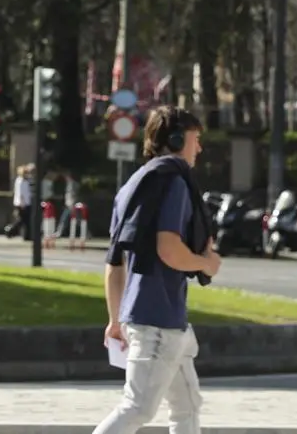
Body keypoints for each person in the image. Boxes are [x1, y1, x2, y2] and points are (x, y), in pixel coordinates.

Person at [92, 106, 220, 434]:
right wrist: (207, 263)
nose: (199, 148)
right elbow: (169, 249)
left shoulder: (132, 187)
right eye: (196, 139)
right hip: (159, 322)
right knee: (137, 407)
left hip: (153, 320)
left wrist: (115, 320)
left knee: (187, 406)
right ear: (177, 140)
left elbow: (113, 262)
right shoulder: (174, 182)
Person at [4, 164, 35, 239]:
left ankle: (27, 236)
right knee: (21, 220)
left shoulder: (26, 180)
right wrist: (22, 203)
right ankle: (10, 231)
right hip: (22, 203)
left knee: (25, 220)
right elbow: (20, 193)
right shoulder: (20, 181)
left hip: (27, 202)